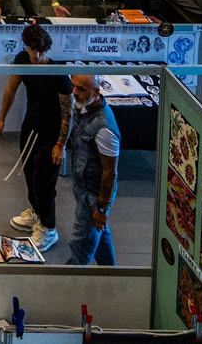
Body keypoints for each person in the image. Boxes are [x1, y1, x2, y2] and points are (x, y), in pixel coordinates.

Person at [0, 22, 68, 253]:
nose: (37, 55)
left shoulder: (58, 75)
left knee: (43, 180)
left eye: (42, 51)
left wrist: (60, 144)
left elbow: (68, 113)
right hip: (31, 126)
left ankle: (49, 227)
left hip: (52, 131)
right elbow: (12, 88)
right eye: (33, 50)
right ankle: (36, 211)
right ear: (26, 47)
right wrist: (2, 117)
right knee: (28, 172)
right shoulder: (22, 60)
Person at [61, 74, 121, 265]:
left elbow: (110, 173)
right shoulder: (84, 106)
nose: (74, 92)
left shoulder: (104, 129)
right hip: (83, 188)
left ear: (96, 92)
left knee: (79, 244)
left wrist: (101, 208)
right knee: (99, 234)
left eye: (80, 89)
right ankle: (111, 278)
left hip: (94, 197)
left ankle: (76, 285)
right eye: (73, 86)